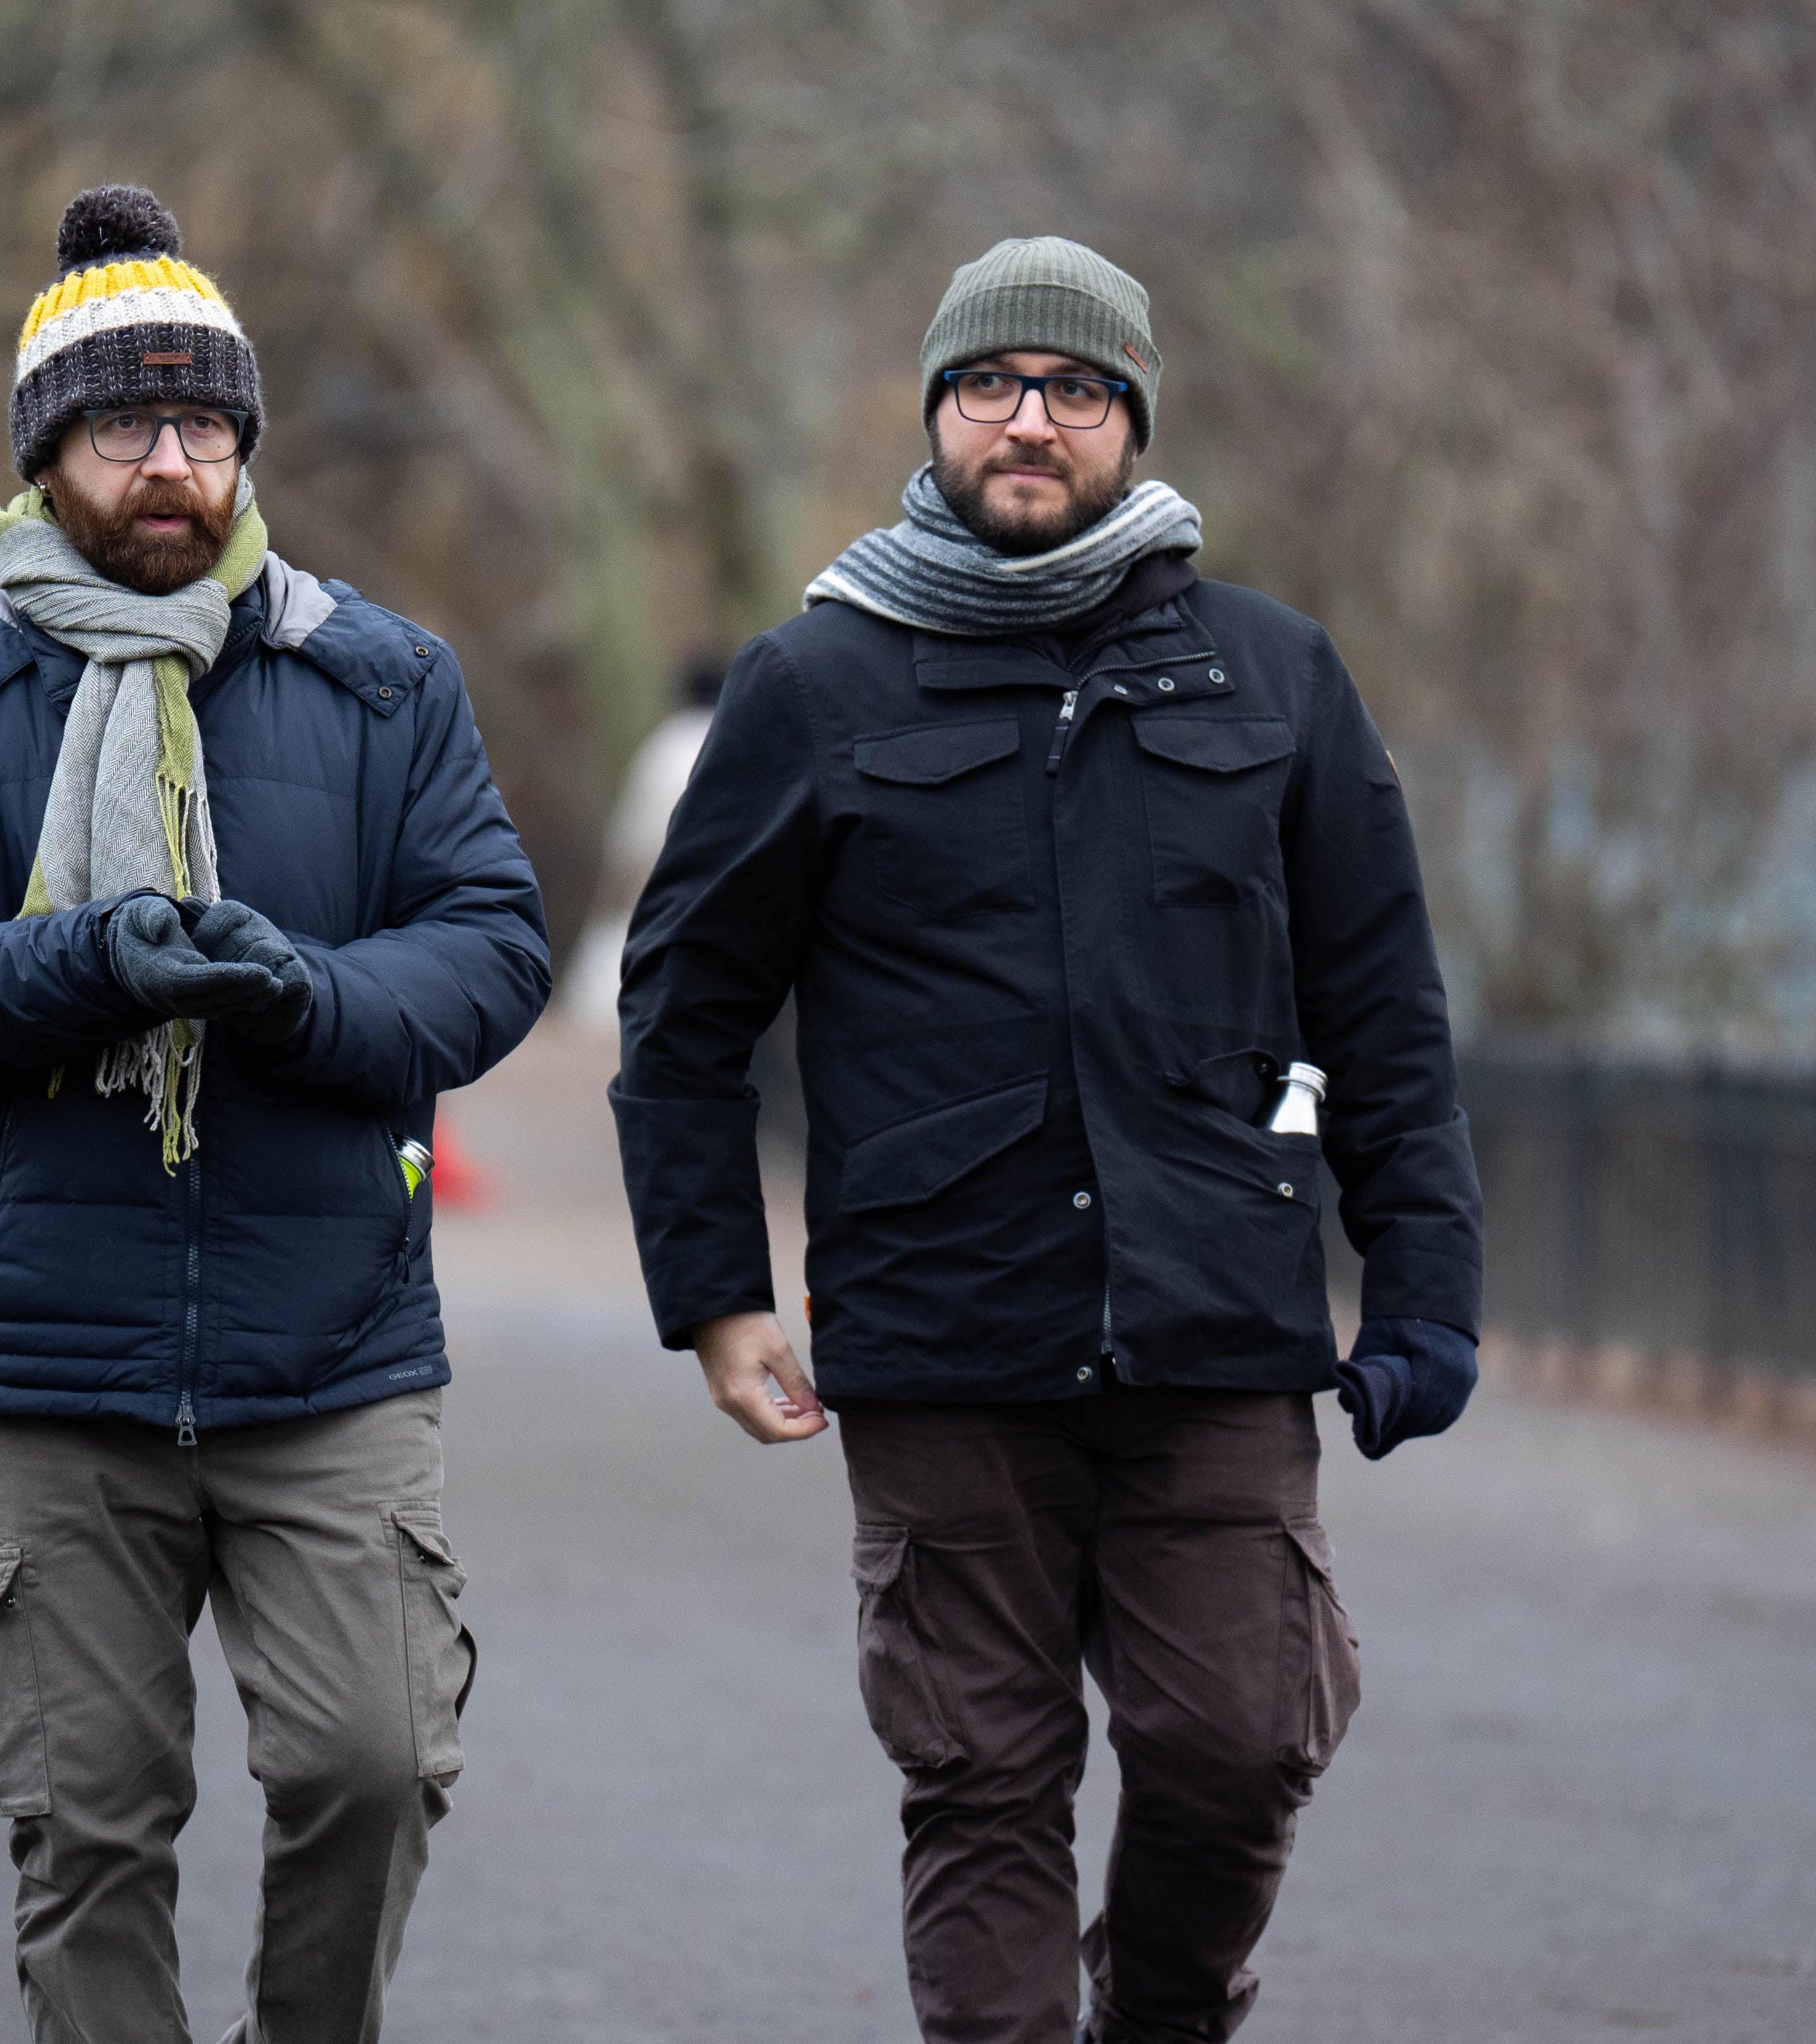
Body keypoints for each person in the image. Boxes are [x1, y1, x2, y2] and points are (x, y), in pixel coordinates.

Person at [610, 236, 1483, 2044]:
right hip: (943, 1335)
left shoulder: (1272, 676)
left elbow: (1382, 1007)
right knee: (980, 1779)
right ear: (934, 415)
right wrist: (716, 1296)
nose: (1030, 420)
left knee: (1238, 1743)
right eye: (991, 385)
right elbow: (683, 1015)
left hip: (1216, 1321)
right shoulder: (815, 684)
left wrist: (1423, 1289)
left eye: (1074, 389)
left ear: (1130, 423)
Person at [0, 185, 549, 2044]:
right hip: (44, 1355)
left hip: (335, 1345)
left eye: (207, 426)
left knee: (375, 1761)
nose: (173, 465)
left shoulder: (378, 679)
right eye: (125, 427)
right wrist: (94, 967)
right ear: (47, 452)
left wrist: (304, 996)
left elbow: (488, 950)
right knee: (85, 1827)